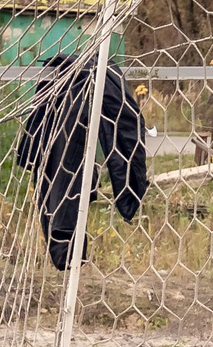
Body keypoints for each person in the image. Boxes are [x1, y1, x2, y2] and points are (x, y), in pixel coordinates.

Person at [15, 53, 146, 270]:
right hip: (62, 190)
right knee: (63, 169)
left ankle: (66, 241)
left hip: (65, 190)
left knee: (65, 171)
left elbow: (124, 134)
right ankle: (65, 242)